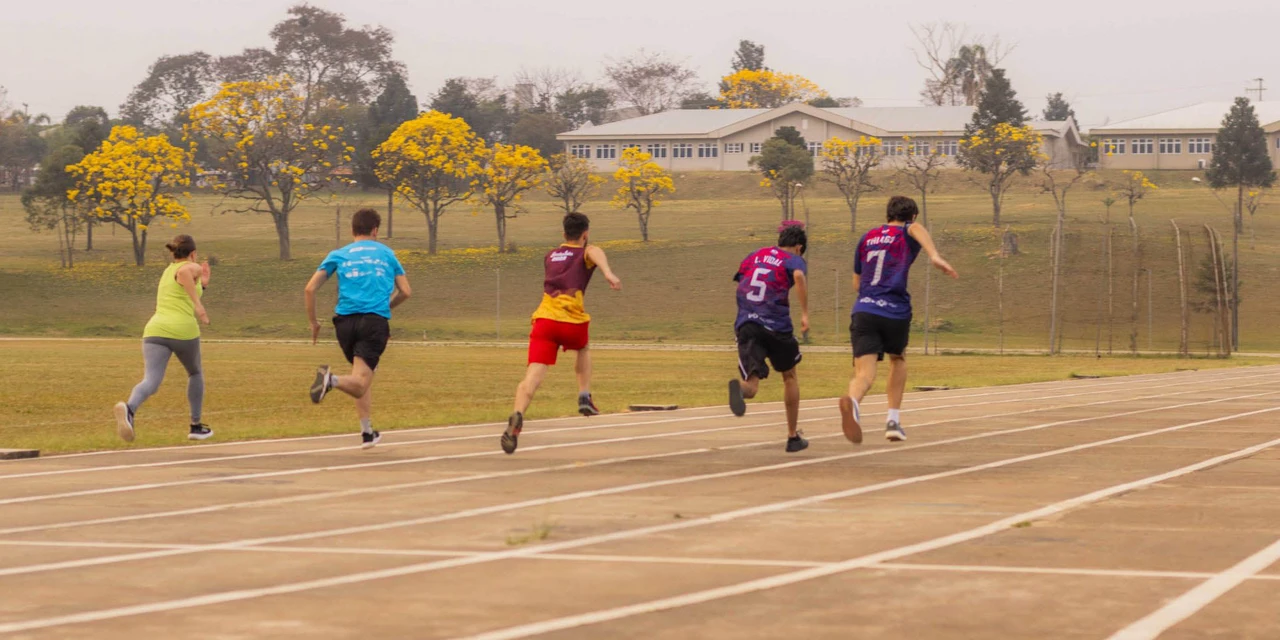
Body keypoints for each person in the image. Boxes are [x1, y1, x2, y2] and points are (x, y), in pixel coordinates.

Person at [838, 195, 957, 444]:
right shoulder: (908, 230)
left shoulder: (867, 237)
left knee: (864, 375)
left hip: (865, 309)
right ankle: (893, 420)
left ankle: (853, 404)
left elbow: (856, 283)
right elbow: (915, 228)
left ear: (887, 215)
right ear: (912, 216)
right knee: (898, 358)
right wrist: (934, 255)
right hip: (894, 310)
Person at [501, 212, 621, 455]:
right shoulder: (585, 251)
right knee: (583, 347)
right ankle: (584, 395)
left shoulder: (550, 255)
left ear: (563, 234)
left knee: (533, 375)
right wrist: (607, 271)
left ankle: (518, 414)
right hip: (571, 321)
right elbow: (592, 252)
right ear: (585, 235)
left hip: (544, 321)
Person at [306, 208, 412, 449]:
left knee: (360, 375)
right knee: (360, 382)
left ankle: (367, 432)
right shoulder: (386, 253)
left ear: (352, 230)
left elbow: (310, 289)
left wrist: (314, 323)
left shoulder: (339, 254)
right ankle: (330, 380)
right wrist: (387, 307)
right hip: (372, 321)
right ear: (375, 230)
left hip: (344, 324)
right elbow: (406, 291)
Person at [113, 235, 212, 442]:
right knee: (195, 373)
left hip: (155, 331)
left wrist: (203, 283)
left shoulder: (167, 272)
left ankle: (129, 410)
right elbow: (185, 271)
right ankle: (195, 425)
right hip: (183, 330)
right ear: (192, 254)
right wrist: (199, 306)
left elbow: (184, 284)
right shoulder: (188, 266)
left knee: (151, 381)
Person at [727, 223, 811, 452]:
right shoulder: (793, 259)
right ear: (798, 247)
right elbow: (799, 277)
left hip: (747, 323)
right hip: (776, 324)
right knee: (789, 375)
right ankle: (793, 437)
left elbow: (741, 280)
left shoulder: (754, 255)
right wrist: (804, 313)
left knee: (751, 386)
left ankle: (740, 390)